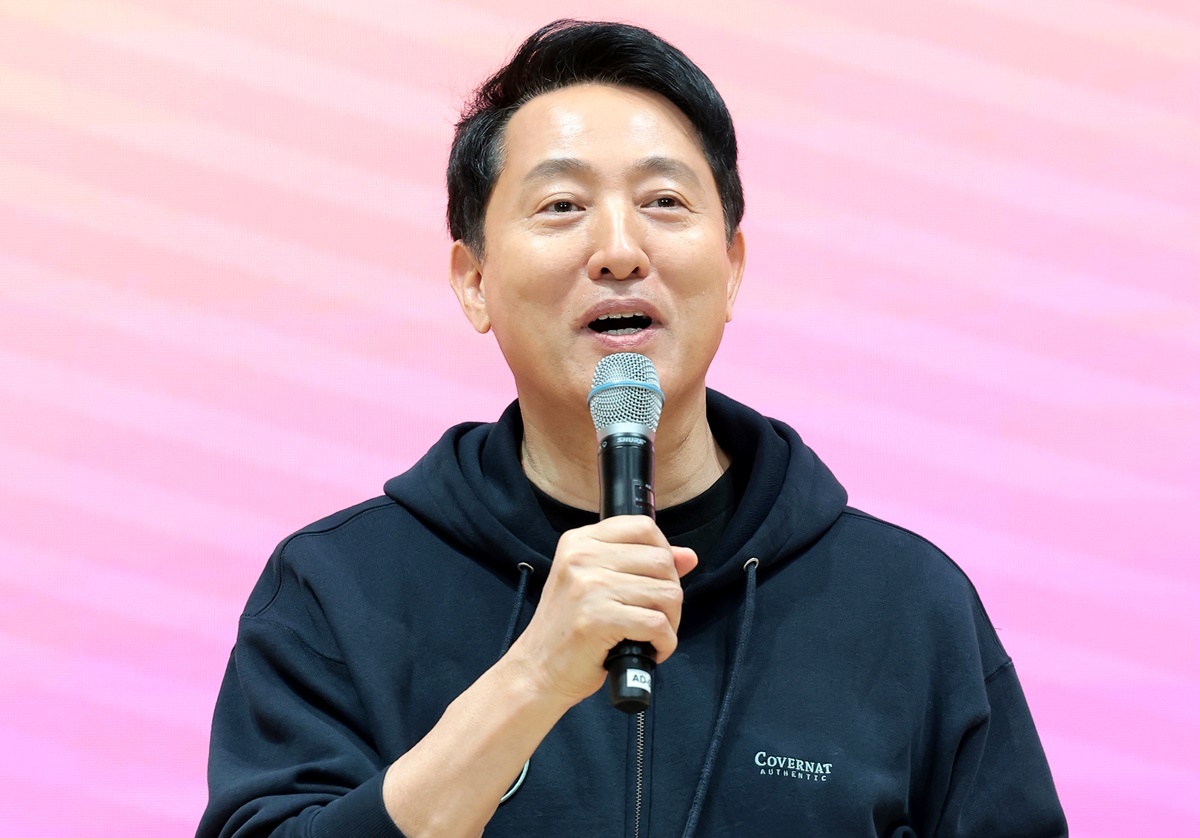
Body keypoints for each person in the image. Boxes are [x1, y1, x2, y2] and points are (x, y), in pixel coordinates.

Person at [197, 19, 1067, 838]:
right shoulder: (340, 591)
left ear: (732, 266)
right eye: (561, 205)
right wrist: (532, 679)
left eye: (664, 200)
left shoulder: (903, 604)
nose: (620, 249)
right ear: (473, 281)